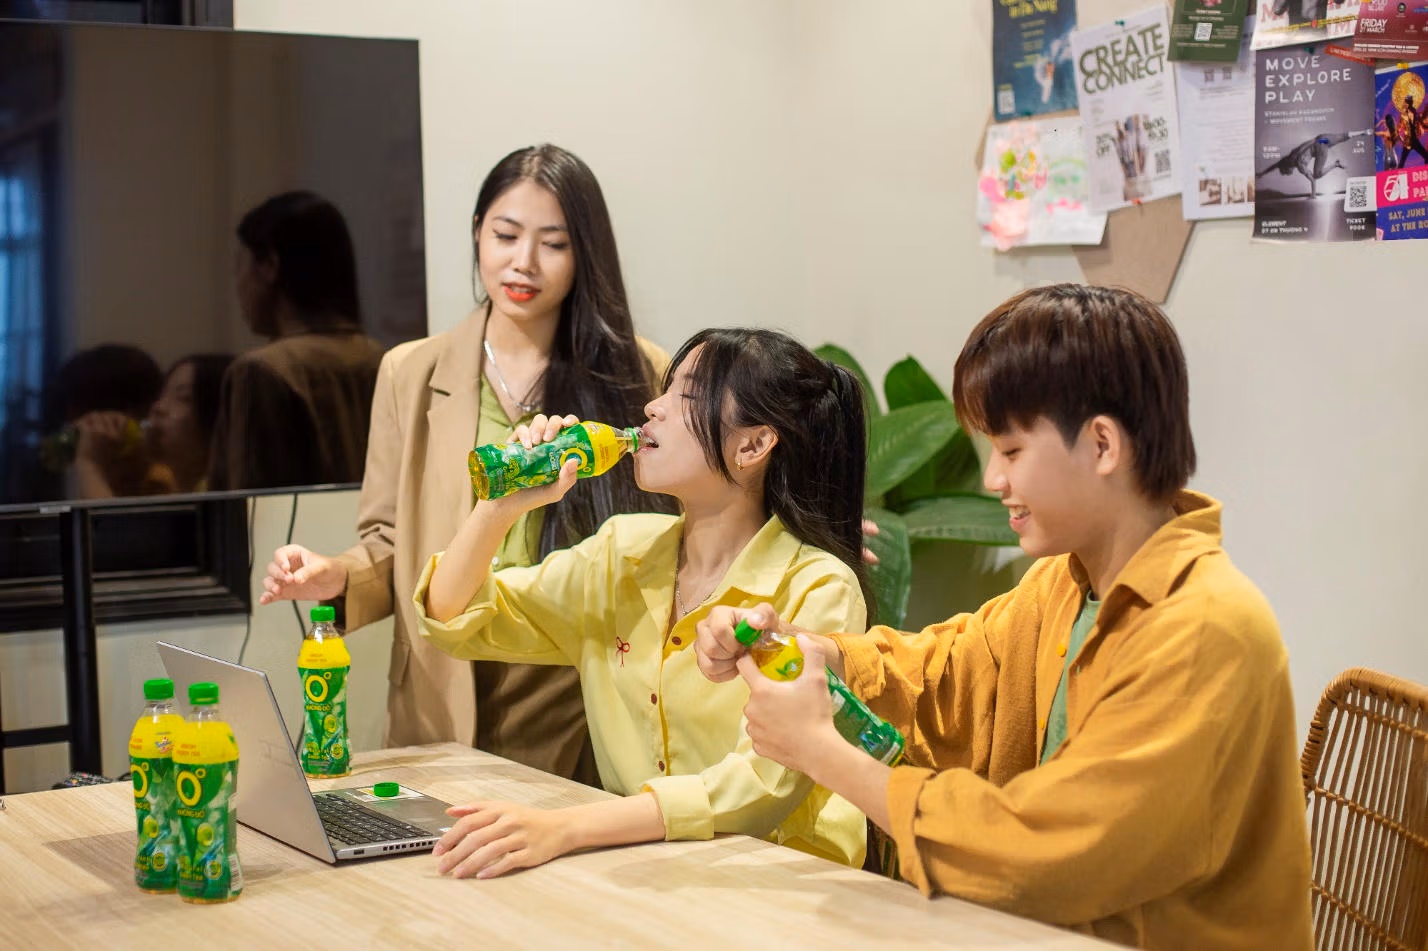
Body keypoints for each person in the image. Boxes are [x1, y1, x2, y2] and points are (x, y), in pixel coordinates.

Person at [695, 285, 1314, 949]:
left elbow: (1052, 855)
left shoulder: (1206, 629)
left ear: (1102, 444)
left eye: (1012, 451)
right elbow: (945, 671)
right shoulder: (1063, 582)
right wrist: (819, 653)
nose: (993, 480)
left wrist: (822, 751)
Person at [257, 146, 673, 785]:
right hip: (443, 677)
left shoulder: (639, 371)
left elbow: (675, 527)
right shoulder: (409, 371)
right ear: (478, 231)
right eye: (505, 235)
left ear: (585, 254)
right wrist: (335, 575)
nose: (523, 261)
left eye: (553, 244)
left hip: (572, 690)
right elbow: (391, 541)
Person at [415, 328, 873, 878]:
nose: (653, 407)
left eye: (687, 396)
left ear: (752, 446)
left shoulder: (818, 587)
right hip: (646, 872)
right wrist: (500, 507)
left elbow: (763, 783)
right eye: (665, 389)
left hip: (784, 883)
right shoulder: (619, 554)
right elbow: (453, 618)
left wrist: (567, 827)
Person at [207, 191, 385, 491]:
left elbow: (250, 506)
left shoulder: (261, 371)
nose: (238, 284)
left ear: (269, 265)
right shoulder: (381, 357)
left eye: (240, 265)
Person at [72, 353, 233, 497]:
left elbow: (113, 522)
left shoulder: (217, 493)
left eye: (183, 398)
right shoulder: (172, 489)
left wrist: (90, 465)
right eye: (162, 395)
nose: (158, 407)